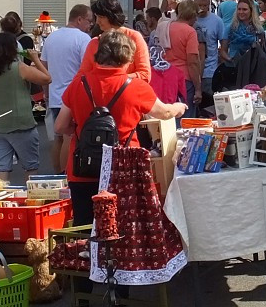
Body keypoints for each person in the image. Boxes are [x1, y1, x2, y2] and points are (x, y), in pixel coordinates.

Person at [57, 30, 185, 226]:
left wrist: (78, 130)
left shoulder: (78, 83)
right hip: (123, 166)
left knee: (85, 226)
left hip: (83, 167)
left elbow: (60, 125)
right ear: (127, 58)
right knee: (124, 225)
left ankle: (90, 256)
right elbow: (164, 113)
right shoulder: (136, 87)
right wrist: (178, 107)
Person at [0, 33, 51, 184]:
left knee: (1, 169)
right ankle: (30, 202)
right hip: (21, 124)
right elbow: (47, 79)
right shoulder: (19, 67)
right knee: (30, 168)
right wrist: (36, 60)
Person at [40, 4, 93, 174]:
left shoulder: (51, 38)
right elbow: (88, 68)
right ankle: (65, 176)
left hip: (55, 96)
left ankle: (57, 174)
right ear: (79, 19)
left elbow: (44, 68)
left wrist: (46, 95)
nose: (90, 24)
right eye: (89, 20)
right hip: (73, 97)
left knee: (57, 139)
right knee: (69, 139)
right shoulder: (83, 39)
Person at [76, 0, 152, 85]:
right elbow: (81, 76)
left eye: (101, 17)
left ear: (111, 16)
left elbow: (145, 75)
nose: (97, 21)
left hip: (128, 94)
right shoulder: (94, 42)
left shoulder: (134, 37)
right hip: (101, 96)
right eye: (96, 17)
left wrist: (114, 80)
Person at [162, 0, 202, 117]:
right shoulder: (190, 32)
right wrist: (198, 88)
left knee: (169, 116)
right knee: (185, 116)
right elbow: (192, 62)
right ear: (193, 15)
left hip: (165, 76)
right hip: (184, 79)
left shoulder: (165, 28)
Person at [193, 0, 225, 109]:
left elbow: (223, 44)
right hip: (193, 69)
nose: (202, 8)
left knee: (209, 106)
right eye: (199, 5)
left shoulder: (217, 21)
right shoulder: (191, 20)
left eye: (205, 5)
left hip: (210, 71)